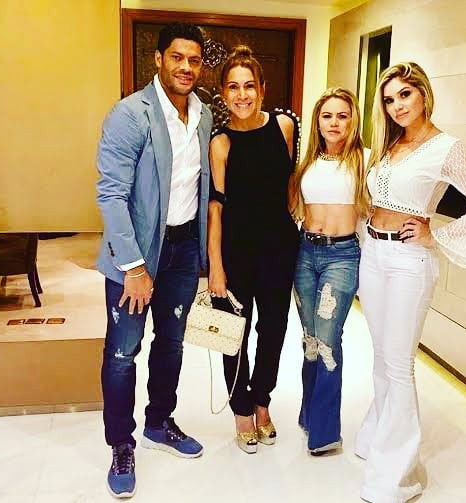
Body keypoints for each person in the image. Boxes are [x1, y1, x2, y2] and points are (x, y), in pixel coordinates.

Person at [355, 62, 466, 503]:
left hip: (409, 262)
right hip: (374, 254)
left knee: (399, 364)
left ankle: (398, 476)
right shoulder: (390, 144)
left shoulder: (447, 148)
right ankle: (379, 439)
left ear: (423, 93)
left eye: (405, 95)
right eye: (389, 99)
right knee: (381, 357)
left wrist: (435, 234)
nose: (397, 106)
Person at [95, 22, 212, 498]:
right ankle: (121, 444)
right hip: (137, 256)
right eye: (177, 57)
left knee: (172, 343)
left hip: (184, 251)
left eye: (194, 60)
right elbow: (111, 194)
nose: (186, 67)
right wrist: (135, 267)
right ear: (158, 59)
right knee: (123, 352)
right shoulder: (130, 114)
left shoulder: (203, 114)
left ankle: (159, 422)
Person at [207, 45, 300, 454]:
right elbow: (216, 208)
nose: (242, 94)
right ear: (223, 93)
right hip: (236, 252)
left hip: (279, 249)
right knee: (233, 334)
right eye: (233, 87)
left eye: (249, 86)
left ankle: (262, 401)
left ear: (262, 89)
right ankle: (241, 410)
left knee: (274, 329)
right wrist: (215, 266)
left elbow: (290, 183)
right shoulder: (221, 142)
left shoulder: (284, 126)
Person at [288, 88, 370, 455]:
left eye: (342, 116)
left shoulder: (365, 160)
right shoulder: (306, 163)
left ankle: (324, 432)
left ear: (352, 121)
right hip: (305, 254)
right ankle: (309, 414)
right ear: (317, 122)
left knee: (328, 340)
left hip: (342, 256)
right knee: (310, 340)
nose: (334, 122)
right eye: (327, 116)